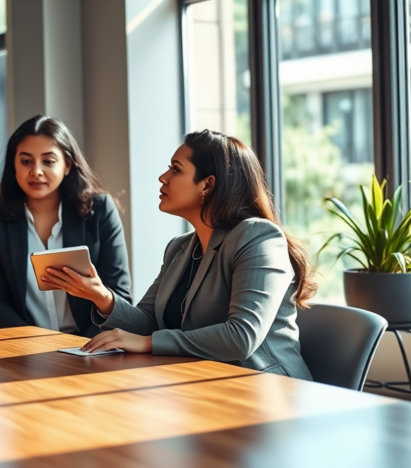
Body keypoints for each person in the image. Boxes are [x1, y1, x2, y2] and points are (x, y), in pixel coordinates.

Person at [43, 129, 315, 379]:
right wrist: (100, 296)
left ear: (207, 185)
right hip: (202, 383)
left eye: (176, 169)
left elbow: (241, 337)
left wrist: (148, 344)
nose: (163, 177)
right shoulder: (180, 248)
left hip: (267, 389)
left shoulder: (258, 238)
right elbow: (148, 322)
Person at [0, 115, 131, 337]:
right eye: (26, 161)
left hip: (89, 343)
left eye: (48, 161)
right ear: (14, 165)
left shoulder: (101, 210)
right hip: (22, 346)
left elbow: (120, 296)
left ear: (67, 165)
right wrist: (38, 343)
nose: (36, 171)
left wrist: (83, 346)